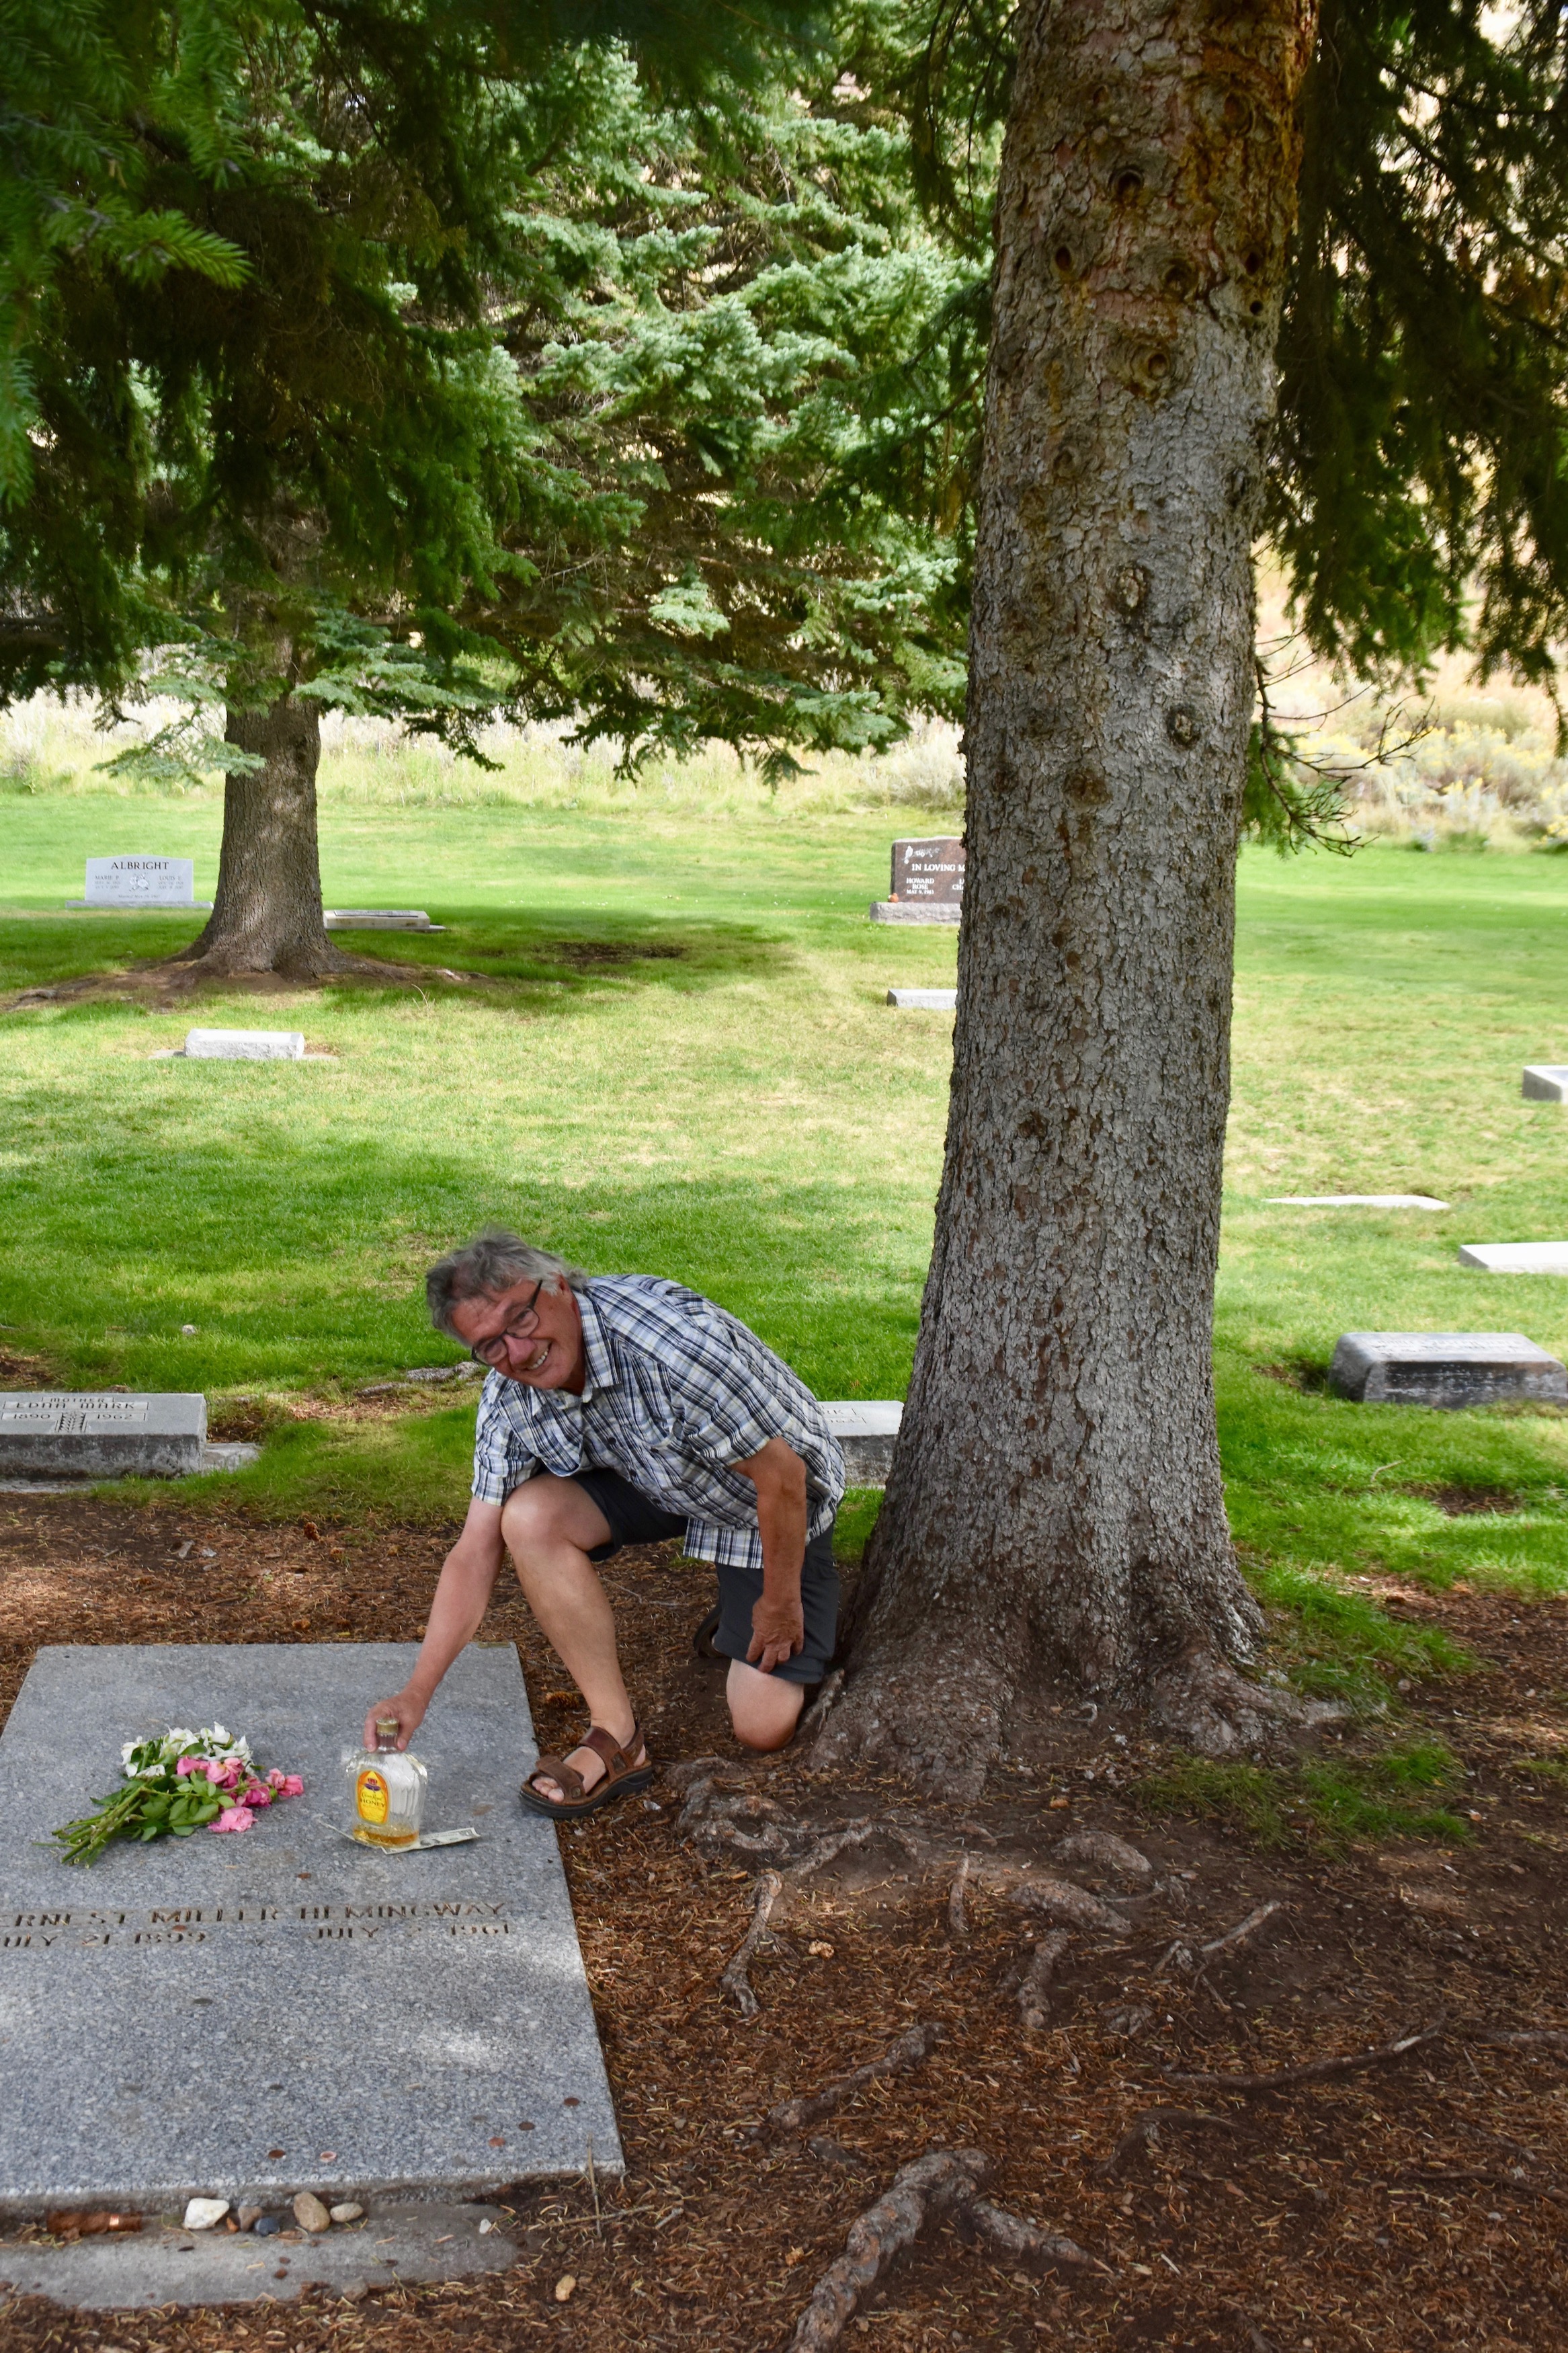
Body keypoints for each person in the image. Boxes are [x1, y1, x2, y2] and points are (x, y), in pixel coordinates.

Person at [363, 1230, 845, 1820]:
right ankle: (617, 1735)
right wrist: (416, 1692)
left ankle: (753, 1603)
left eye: (521, 1318)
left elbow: (783, 1477)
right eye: (489, 1345)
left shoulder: (671, 1350)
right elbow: (474, 1550)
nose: (518, 1351)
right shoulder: (509, 1398)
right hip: (658, 1478)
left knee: (761, 1728)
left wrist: (778, 1601)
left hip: (763, 1502)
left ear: (560, 1286)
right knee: (529, 1516)